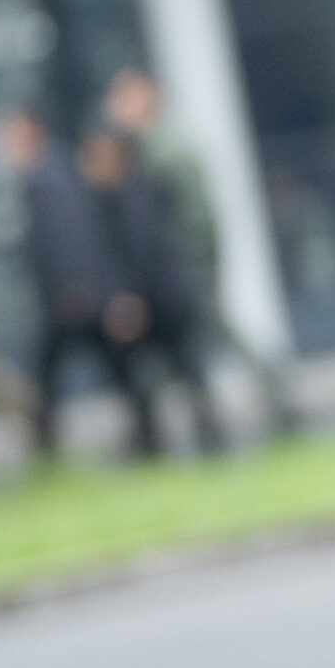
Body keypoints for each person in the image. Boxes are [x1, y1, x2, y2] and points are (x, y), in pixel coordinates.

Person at [102, 68, 301, 434]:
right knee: (186, 351)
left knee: (220, 339)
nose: (117, 109)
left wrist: (204, 266)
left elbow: (196, 216)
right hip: (169, 272)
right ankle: (203, 422)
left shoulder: (166, 150)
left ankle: (281, 402)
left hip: (183, 269)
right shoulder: (141, 150)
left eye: (124, 98)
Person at [7, 107, 157, 460]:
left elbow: (68, 239)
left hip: (74, 298)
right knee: (107, 368)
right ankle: (143, 436)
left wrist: (76, 289)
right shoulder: (55, 172)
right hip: (78, 295)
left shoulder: (45, 178)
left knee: (67, 369)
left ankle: (50, 447)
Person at [78, 127, 224, 454]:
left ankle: (202, 439)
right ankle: (154, 443)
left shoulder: (135, 193)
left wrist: (130, 298)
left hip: (163, 301)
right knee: (151, 377)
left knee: (185, 371)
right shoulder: (106, 199)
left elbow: (146, 250)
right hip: (150, 300)